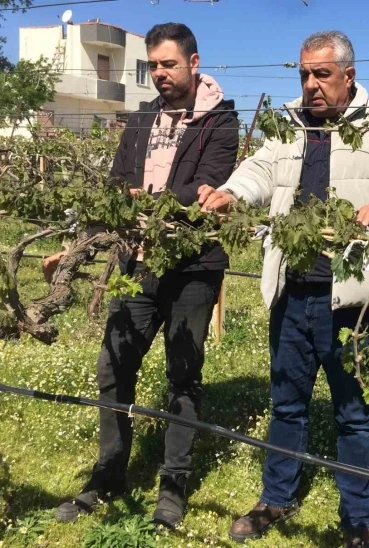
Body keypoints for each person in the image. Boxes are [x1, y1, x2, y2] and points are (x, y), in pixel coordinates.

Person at [199, 30, 369, 548]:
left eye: (321, 74)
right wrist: (231, 193)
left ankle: (356, 520)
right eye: (303, 73)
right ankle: (276, 499)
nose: (310, 84)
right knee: (287, 404)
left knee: (354, 410)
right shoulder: (288, 125)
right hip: (292, 291)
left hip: (353, 297)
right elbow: (259, 171)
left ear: (348, 75)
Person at [51, 23, 239, 529]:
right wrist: (76, 248)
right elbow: (115, 190)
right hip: (137, 266)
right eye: (153, 65)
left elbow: (208, 188)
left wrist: (149, 201)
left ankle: (172, 486)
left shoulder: (221, 121)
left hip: (193, 268)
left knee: (183, 375)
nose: (159, 73)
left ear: (194, 64)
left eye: (169, 64)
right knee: (113, 368)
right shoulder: (138, 121)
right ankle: (107, 477)